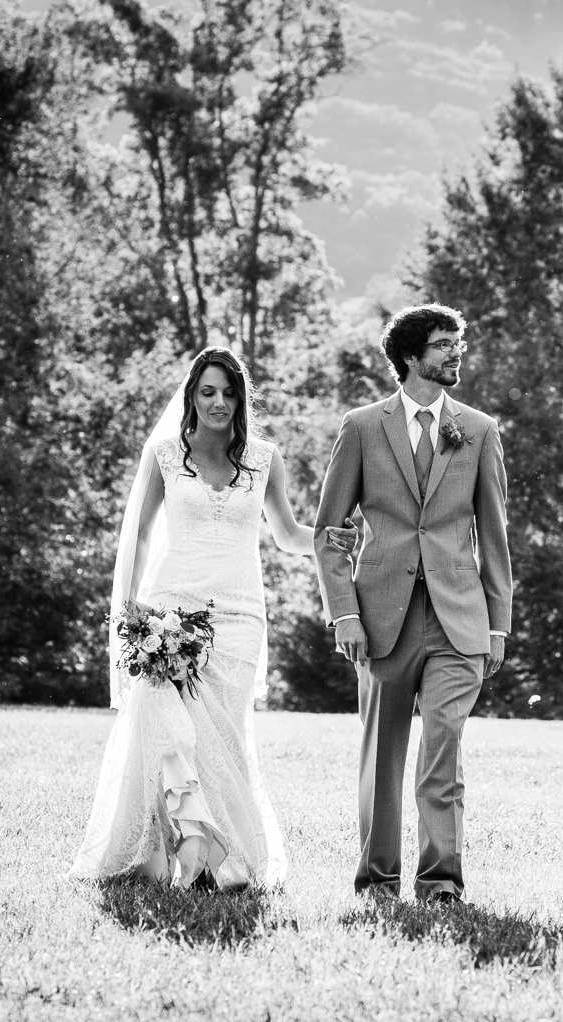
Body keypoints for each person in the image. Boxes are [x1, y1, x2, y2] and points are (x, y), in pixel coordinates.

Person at [70, 347, 356, 891]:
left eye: (229, 392)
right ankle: (183, 854)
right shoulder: (163, 455)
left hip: (240, 618)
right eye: (208, 391)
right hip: (172, 610)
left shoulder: (264, 460)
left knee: (219, 740)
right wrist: (131, 603)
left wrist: (327, 537)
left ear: (241, 400)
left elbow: (287, 534)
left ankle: (217, 860)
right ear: (192, 396)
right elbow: (142, 533)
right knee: (169, 732)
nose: (219, 402)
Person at [313, 304, 513, 904]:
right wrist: (344, 611)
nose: (457, 353)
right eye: (444, 344)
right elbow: (329, 533)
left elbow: (495, 537)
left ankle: (441, 882)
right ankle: (377, 881)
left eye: (459, 342)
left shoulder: (478, 429)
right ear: (410, 357)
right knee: (383, 757)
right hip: (380, 619)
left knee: (443, 744)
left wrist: (498, 625)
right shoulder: (363, 427)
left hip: (459, 617)